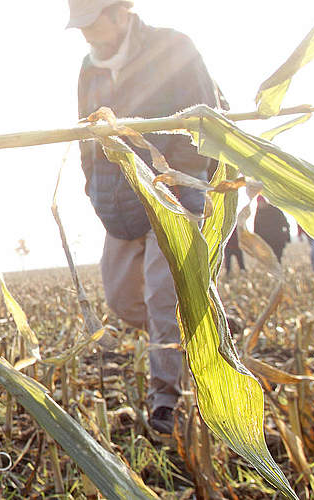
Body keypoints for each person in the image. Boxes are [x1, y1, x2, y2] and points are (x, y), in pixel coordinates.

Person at [69, 0, 225, 435]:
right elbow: (85, 134)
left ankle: (165, 401)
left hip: (172, 192)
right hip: (119, 198)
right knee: (121, 298)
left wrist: (177, 176)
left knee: (161, 298)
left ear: (120, 12)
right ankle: (195, 332)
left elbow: (205, 121)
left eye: (91, 22)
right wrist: (91, 185)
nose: (85, 33)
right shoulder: (89, 68)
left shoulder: (174, 47)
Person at [253, 196, 290, 263]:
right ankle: (274, 271)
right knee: (269, 260)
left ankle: (278, 270)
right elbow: (255, 229)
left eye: (261, 202)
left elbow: (285, 223)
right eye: (259, 203)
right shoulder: (257, 213)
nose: (260, 204)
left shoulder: (275, 210)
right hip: (265, 241)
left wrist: (287, 236)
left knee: (277, 257)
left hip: (277, 240)